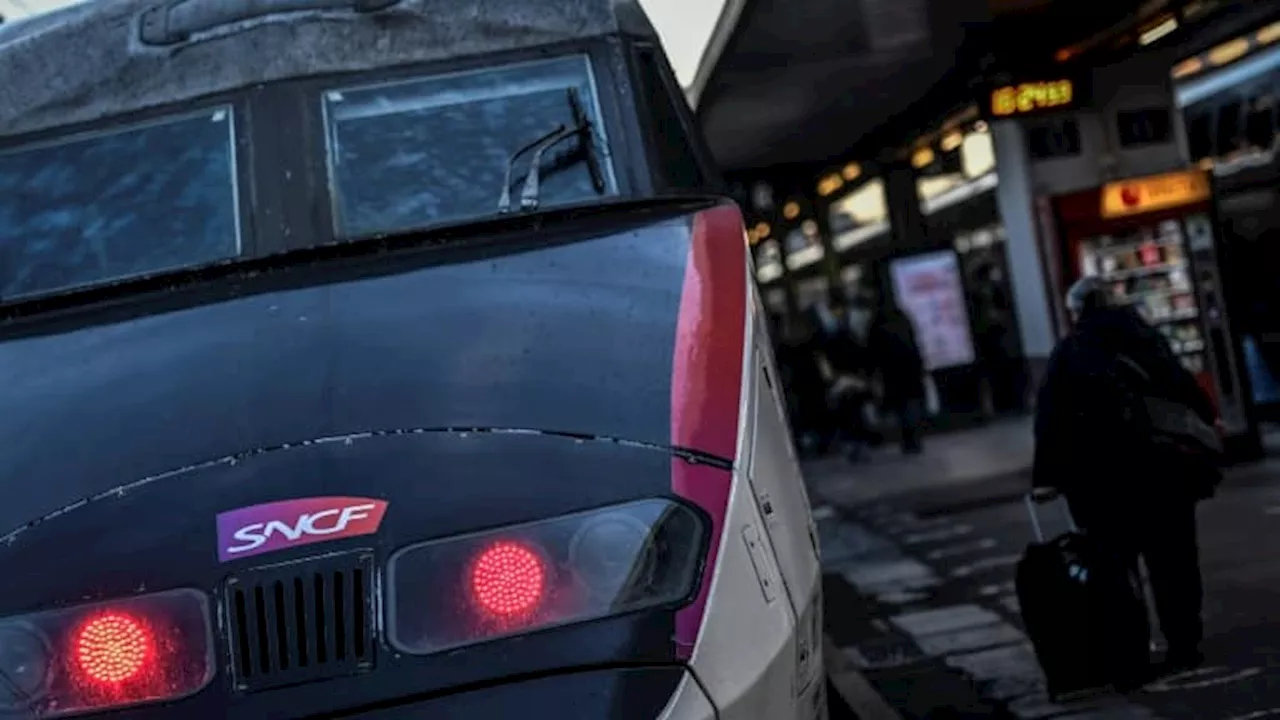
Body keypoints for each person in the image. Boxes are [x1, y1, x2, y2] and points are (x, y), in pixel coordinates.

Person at [1032, 276, 1220, 678]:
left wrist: (1045, 477)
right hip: (1162, 473)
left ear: (1078, 311)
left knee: (1115, 569)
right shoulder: (1147, 341)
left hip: (1100, 482)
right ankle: (1184, 643)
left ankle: (1130, 653)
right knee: (1174, 562)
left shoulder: (1070, 352)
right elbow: (1188, 392)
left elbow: (1050, 419)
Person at [867, 295, 926, 454]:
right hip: (911, 369)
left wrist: (872, 372)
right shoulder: (903, 318)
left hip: (891, 372)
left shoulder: (877, 323)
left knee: (901, 407)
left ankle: (907, 439)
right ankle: (914, 439)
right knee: (912, 404)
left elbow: (872, 350)